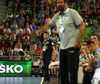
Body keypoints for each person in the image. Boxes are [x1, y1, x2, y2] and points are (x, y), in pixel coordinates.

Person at [37, 0, 85, 84]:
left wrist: (79, 40)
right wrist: (41, 29)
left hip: (72, 45)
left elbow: (82, 26)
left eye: (61, 2)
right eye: (58, 2)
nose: (59, 4)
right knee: (63, 71)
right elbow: (49, 25)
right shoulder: (57, 16)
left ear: (66, 3)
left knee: (73, 71)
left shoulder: (72, 13)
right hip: (62, 47)